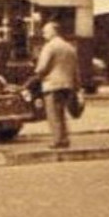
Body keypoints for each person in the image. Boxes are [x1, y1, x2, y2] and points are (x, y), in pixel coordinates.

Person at [32, 21, 81, 150]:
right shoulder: (70, 47)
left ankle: (58, 140)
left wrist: (36, 74)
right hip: (67, 85)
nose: (43, 34)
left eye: (45, 31)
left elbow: (42, 67)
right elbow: (76, 69)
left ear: (54, 32)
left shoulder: (50, 47)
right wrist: (77, 86)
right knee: (62, 114)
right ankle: (64, 138)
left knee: (53, 114)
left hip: (52, 84)